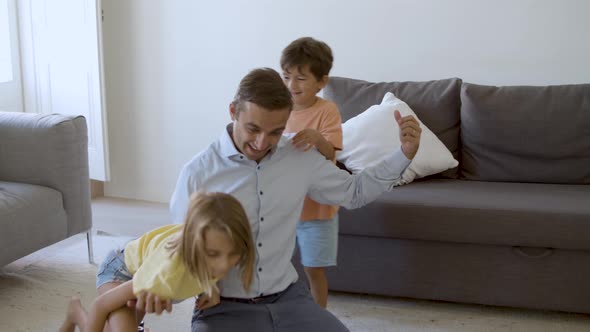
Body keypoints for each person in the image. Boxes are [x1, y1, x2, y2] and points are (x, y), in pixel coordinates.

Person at [137, 66, 422, 332]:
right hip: (221, 307)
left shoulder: (299, 156)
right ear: (233, 111)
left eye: (275, 132)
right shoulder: (198, 173)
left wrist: (404, 154)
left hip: (290, 299)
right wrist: (158, 289)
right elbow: (180, 249)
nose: (262, 143)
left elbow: (354, 192)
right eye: (253, 129)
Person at [59, 192, 255, 332]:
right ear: (192, 245)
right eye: (213, 254)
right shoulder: (166, 272)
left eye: (232, 254)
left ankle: (75, 311)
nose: (223, 265)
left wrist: (211, 289)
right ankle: (76, 312)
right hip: (120, 271)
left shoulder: (216, 247)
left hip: (144, 271)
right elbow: (100, 305)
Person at [280, 37, 342, 308]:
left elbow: (331, 154)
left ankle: (319, 316)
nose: (292, 85)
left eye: (301, 78)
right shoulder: (277, 108)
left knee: (313, 269)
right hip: (280, 206)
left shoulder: (327, 110)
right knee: (272, 264)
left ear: (322, 82)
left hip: (317, 210)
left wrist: (318, 139)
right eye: (286, 76)